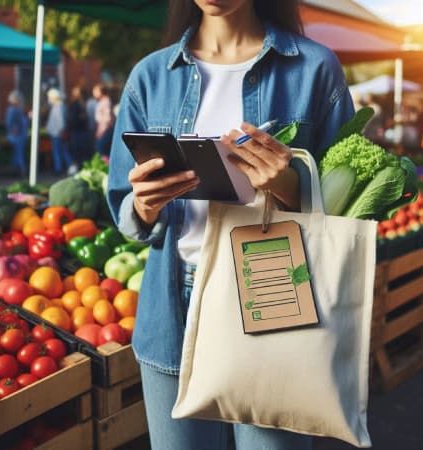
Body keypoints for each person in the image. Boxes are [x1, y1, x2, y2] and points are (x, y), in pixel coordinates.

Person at [107, 1, 354, 449]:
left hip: (276, 297)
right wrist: (144, 205)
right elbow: (125, 210)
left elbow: (349, 210)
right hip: (173, 307)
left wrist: (288, 185)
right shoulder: (150, 76)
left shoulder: (316, 69)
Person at [45, 88, 77, 175]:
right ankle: (71, 166)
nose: (49, 100)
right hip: (58, 132)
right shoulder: (59, 106)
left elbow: (60, 120)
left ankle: (59, 169)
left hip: (57, 133)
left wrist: (61, 130)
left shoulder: (58, 106)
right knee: (63, 150)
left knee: (57, 151)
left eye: (50, 98)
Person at [5, 90, 28, 176]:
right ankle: (21, 170)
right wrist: (13, 129)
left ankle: (17, 170)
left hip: (20, 135)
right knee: (19, 154)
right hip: (16, 136)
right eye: (18, 99)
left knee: (17, 154)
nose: (20, 101)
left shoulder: (17, 109)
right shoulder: (12, 110)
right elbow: (9, 123)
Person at [67, 86, 90, 165]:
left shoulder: (80, 103)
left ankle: (81, 165)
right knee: (78, 150)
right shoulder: (77, 103)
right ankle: (80, 165)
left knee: (80, 149)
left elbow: (83, 116)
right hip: (77, 129)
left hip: (79, 130)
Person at [92, 83, 114, 155]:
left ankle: (106, 164)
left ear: (101, 91)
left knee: (99, 148)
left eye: (95, 91)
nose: (94, 93)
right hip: (103, 129)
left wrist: (101, 131)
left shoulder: (106, 101)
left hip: (106, 129)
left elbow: (107, 119)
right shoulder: (102, 101)